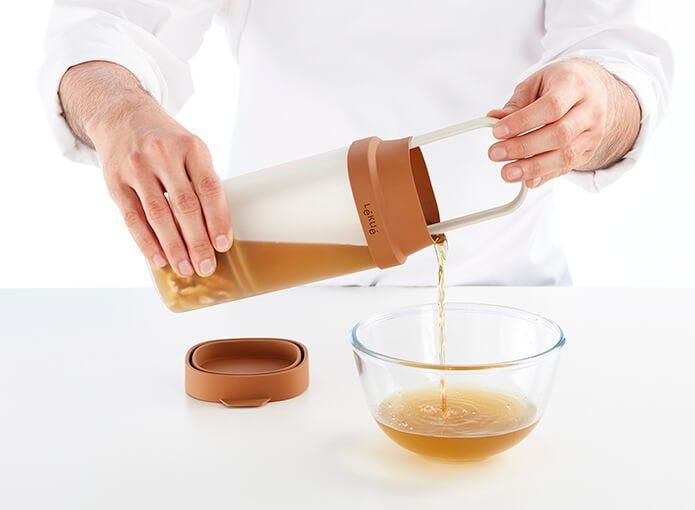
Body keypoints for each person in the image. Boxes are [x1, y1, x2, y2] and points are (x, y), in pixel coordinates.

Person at [40, 1, 672, 286]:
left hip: (498, 295)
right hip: (279, 299)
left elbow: (622, 59)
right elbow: (106, 21)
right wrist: (120, 109)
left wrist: (596, 101)